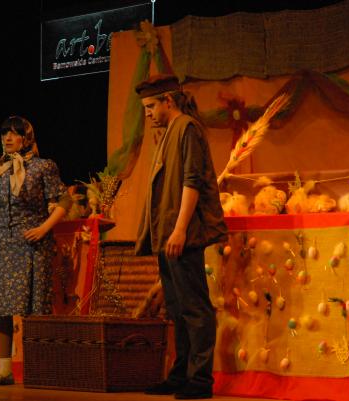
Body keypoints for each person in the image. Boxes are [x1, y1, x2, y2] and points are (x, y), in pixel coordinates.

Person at [135, 75, 227, 400]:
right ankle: (180, 374)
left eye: (150, 106)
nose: (148, 113)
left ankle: (200, 381)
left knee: (194, 307)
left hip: (181, 234)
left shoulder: (187, 128)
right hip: (167, 234)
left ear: (168, 101)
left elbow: (192, 181)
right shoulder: (168, 133)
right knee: (176, 307)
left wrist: (179, 229)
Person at [0, 116, 71, 386]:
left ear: (26, 138)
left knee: (34, 307)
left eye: (14, 133)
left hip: (31, 242)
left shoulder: (42, 166)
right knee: (1, 306)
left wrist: (44, 228)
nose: (8, 138)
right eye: (4, 133)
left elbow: (64, 199)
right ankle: (4, 370)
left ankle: (40, 369)